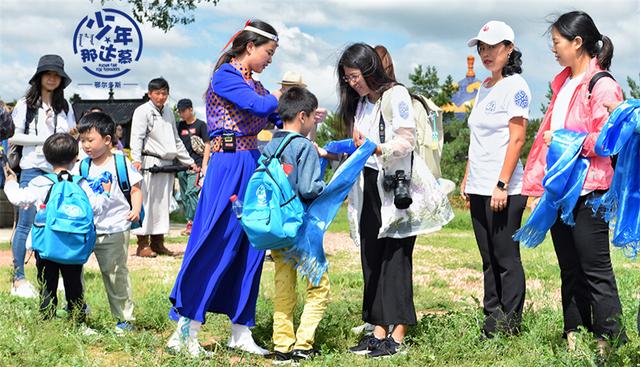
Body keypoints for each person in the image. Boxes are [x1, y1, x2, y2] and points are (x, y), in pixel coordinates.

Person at [167, 20, 282, 358]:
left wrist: (301, 112)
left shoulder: (255, 84)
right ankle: (186, 329)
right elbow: (262, 108)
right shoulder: (225, 77)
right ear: (250, 47)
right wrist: (280, 98)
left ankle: (241, 329)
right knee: (214, 241)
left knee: (252, 245)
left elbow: (275, 118)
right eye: (268, 53)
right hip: (226, 165)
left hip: (252, 164)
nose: (269, 60)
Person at [336, 43, 452, 358]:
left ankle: (397, 334)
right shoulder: (362, 103)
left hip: (398, 188)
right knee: (372, 259)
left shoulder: (396, 95)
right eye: (347, 78)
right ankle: (377, 330)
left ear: (370, 70)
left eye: (355, 75)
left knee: (396, 259)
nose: (351, 83)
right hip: (369, 186)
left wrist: (376, 148)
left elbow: (406, 138)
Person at [520, 11, 626, 354]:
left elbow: (612, 138)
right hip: (561, 192)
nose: (553, 49)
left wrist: (566, 140)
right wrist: (538, 187)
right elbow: (543, 142)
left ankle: (609, 343)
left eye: (556, 42)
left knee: (595, 271)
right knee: (570, 269)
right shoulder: (563, 84)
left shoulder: (602, 84)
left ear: (577, 42)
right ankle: (575, 337)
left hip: (591, 189)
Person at [460, 21, 530, 338]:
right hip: (478, 185)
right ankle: (492, 321)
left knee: (505, 258)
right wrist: (466, 178)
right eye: (482, 48)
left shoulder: (516, 87)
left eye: (492, 47)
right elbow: (477, 139)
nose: (486, 53)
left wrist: (501, 185)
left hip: (504, 188)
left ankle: (510, 326)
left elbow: (517, 140)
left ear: (509, 49)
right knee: (487, 258)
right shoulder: (485, 87)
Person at [3, 133, 109, 325]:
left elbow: (18, 198)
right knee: (74, 284)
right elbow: (97, 207)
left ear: (46, 157)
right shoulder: (81, 183)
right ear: (75, 158)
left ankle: (47, 321)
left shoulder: (40, 182)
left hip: (46, 246)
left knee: (47, 285)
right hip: (74, 246)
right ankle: (78, 320)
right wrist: (106, 193)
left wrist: (10, 182)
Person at [261, 87, 329, 364]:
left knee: (283, 287)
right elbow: (309, 188)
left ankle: (282, 346)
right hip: (302, 231)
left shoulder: (268, 146)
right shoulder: (304, 147)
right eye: (313, 117)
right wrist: (326, 185)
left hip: (277, 231)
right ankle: (303, 344)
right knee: (318, 286)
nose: (314, 121)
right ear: (303, 116)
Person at [8, 54, 76, 298]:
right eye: (48, 73)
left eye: (56, 74)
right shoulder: (24, 105)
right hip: (32, 169)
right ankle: (18, 278)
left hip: (58, 172)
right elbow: (13, 136)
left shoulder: (64, 107)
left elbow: (71, 135)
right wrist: (46, 141)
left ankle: (49, 275)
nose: (51, 78)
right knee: (26, 224)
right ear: (39, 77)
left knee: (53, 223)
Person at [74, 112, 142, 334]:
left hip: (115, 228)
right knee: (74, 273)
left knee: (115, 274)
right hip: (86, 229)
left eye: (90, 140)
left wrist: (136, 209)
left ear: (106, 139)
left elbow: (135, 188)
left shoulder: (121, 162)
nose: (85, 145)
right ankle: (78, 313)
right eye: (82, 140)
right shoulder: (82, 166)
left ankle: (124, 319)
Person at [129, 78, 196, 257]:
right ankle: (142, 244)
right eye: (157, 93)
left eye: (164, 93)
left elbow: (175, 140)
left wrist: (189, 161)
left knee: (162, 204)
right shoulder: (142, 111)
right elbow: (136, 137)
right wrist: (135, 159)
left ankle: (158, 242)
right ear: (150, 94)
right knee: (147, 202)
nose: (161, 97)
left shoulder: (167, 112)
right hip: (149, 161)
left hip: (167, 163)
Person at [175, 98, 210, 236]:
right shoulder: (179, 126)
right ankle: (190, 222)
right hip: (181, 166)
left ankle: (196, 222)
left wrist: (204, 164)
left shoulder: (201, 125)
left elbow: (208, 144)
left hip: (196, 166)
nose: (181, 114)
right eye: (179, 111)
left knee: (192, 192)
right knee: (184, 196)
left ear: (191, 109)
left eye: (183, 110)